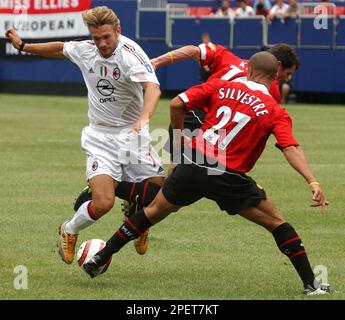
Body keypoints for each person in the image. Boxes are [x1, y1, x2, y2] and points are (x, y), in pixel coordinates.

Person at [83, 52, 330, 296]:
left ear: (248, 70)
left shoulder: (220, 87)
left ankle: (100, 257)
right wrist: (312, 180)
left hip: (194, 162)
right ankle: (311, 285)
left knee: (152, 212)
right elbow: (290, 148)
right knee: (277, 223)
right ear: (276, 75)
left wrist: (180, 148)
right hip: (227, 174)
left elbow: (177, 103)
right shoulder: (275, 110)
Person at [5, 6, 165, 262]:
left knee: (157, 194)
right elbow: (60, 48)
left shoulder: (130, 54)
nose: (101, 43)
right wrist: (24, 45)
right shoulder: (87, 50)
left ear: (118, 31)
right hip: (100, 137)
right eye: (96, 37)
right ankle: (69, 230)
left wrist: (144, 118)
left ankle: (136, 217)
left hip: (133, 135)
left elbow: (153, 88)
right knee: (103, 203)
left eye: (106, 37)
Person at [151, 42, 299, 173]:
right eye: (288, 73)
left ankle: (146, 199)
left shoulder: (230, 59)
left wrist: (156, 62)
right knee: (204, 178)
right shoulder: (271, 90)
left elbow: (193, 50)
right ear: (278, 65)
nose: (287, 78)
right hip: (205, 122)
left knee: (179, 177)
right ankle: (144, 197)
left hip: (186, 115)